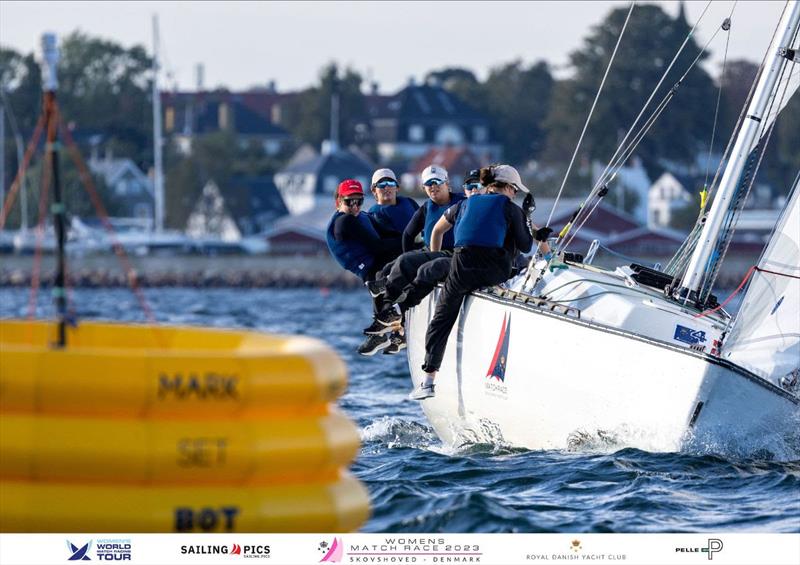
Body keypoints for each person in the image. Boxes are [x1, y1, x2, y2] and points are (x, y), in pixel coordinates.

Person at [409, 164, 552, 400]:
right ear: (506, 188)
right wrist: (529, 223)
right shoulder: (511, 208)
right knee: (510, 253)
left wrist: (435, 255)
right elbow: (526, 246)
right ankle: (498, 290)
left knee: (442, 319)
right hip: (494, 271)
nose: (515, 194)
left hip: (461, 267)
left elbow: (439, 229)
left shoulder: (464, 203)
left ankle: (428, 381)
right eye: (514, 189)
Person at [368, 167, 475, 332]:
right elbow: (408, 235)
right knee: (386, 270)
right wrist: (408, 253)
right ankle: (384, 318)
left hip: (453, 253)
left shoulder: (463, 202)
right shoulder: (426, 208)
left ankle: (392, 316)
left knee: (405, 262)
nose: (433, 186)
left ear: (447, 183)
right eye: (428, 183)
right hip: (431, 251)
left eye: (437, 182)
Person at [325, 179, 402, 356]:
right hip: (371, 269)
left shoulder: (362, 216)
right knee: (383, 284)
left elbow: (386, 235)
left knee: (386, 291)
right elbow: (377, 246)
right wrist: (407, 242)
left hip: (377, 266)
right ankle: (388, 333)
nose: (354, 206)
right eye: (349, 201)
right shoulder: (344, 222)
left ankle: (389, 334)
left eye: (359, 201)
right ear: (338, 200)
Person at [368, 168, 420, 236]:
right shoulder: (372, 215)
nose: (387, 188)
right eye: (382, 184)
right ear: (374, 190)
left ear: (397, 188)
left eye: (391, 183)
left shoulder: (410, 202)